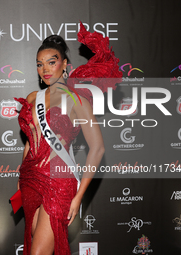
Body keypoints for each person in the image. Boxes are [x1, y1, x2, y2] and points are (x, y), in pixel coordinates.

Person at [15, 24, 122, 255]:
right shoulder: (34, 97)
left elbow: (98, 149)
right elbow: (30, 141)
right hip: (30, 180)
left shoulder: (77, 100)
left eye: (51, 62)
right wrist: (21, 173)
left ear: (65, 65)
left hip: (59, 183)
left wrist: (78, 197)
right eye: (39, 64)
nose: (44, 69)